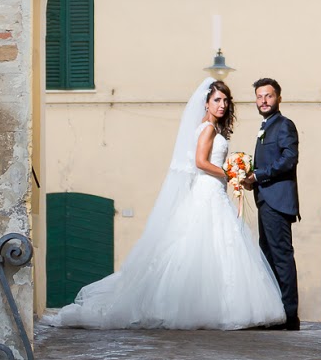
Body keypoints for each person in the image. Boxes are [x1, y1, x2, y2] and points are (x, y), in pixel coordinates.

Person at [44, 78, 285, 330]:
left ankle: (217, 307)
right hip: (208, 191)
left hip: (213, 191)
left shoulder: (211, 128)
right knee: (210, 244)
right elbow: (201, 162)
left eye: (225, 100)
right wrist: (230, 173)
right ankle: (214, 308)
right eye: (216, 100)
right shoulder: (207, 129)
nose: (222, 105)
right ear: (206, 103)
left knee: (215, 246)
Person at [243, 77, 301, 330]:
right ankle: (275, 313)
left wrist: (258, 176)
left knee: (281, 258)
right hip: (265, 200)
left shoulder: (284, 125)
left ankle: (289, 316)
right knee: (268, 257)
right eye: (259, 97)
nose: (263, 101)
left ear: (278, 98)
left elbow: (289, 158)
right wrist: (250, 179)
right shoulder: (266, 126)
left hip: (277, 201)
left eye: (268, 96)